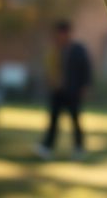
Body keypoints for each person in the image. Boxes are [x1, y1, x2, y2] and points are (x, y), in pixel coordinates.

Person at [35, 19, 93, 160]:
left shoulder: (78, 49)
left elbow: (86, 69)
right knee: (53, 120)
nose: (58, 36)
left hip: (73, 92)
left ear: (67, 33)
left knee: (75, 121)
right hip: (57, 92)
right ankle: (46, 147)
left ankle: (79, 148)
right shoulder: (55, 49)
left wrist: (85, 87)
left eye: (61, 33)